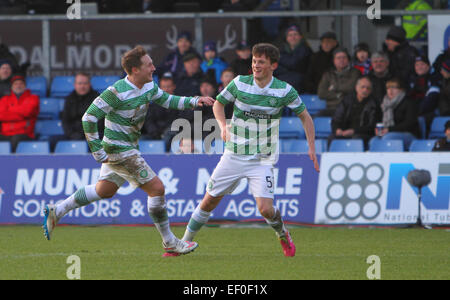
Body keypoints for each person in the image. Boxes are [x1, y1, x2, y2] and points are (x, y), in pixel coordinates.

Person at [42, 46, 215, 257]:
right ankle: (169, 242)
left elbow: (168, 100)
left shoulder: (149, 85)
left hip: (129, 147)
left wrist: (194, 100)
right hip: (118, 150)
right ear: (134, 70)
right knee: (157, 189)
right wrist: (96, 150)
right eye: (148, 64)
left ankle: (57, 210)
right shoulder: (116, 92)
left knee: (104, 190)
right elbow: (88, 118)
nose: (153, 67)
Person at [179, 43, 320, 258]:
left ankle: (283, 234)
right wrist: (223, 125)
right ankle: (183, 243)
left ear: (273, 65)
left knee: (266, 210)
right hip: (233, 155)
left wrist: (311, 146)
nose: (256, 65)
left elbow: (305, 116)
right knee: (209, 201)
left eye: (261, 62)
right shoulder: (239, 83)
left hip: (262, 159)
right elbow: (218, 104)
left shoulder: (284, 90)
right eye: (254, 61)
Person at [328, 76, 380, 150]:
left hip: (363, 134)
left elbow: (372, 126)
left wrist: (354, 131)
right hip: (344, 132)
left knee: (357, 138)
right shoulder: (346, 101)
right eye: (363, 87)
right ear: (356, 88)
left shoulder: (374, 104)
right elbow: (336, 119)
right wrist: (337, 129)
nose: (365, 90)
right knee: (332, 137)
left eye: (368, 88)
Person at [374, 77, 420, 149]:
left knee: (387, 138)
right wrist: (378, 130)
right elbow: (379, 120)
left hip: (408, 133)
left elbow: (409, 123)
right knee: (373, 141)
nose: (390, 91)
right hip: (388, 132)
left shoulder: (409, 102)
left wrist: (389, 129)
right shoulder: (384, 104)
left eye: (394, 88)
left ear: (401, 90)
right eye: (388, 88)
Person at [0, 75, 39, 152]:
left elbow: (27, 112)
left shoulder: (33, 98)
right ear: (11, 86)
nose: (18, 86)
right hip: (5, 133)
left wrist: (9, 110)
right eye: (16, 84)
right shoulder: (5, 99)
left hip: (24, 132)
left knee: (15, 139)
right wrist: (20, 115)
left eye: (21, 84)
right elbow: (1, 115)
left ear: (25, 86)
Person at [317, 47, 360, 116]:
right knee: (315, 119)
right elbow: (321, 93)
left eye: (344, 57)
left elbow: (351, 87)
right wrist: (338, 95)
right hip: (332, 108)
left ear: (348, 59)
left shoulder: (355, 72)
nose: (341, 60)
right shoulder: (328, 74)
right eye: (338, 58)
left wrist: (333, 88)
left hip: (349, 107)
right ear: (334, 60)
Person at [61, 73, 102, 140]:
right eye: (80, 83)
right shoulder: (69, 99)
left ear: (90, 84)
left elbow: (100, 121)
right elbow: (65, 121)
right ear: (75, 85)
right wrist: (72, 135)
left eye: (85, 83)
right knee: (52, 141)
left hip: (93, 135)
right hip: (73, 135)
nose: (82, 86)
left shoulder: (97, 98)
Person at [274, 24, 312, 92]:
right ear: (286, 38)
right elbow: (275, 68)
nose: (293, 37)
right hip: (282, 88)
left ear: (300, 37)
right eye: (290, 35)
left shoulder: (305, 50)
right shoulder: (281, 50)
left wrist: (281, 60)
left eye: (295, 34)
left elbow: (294, 63)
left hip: (300, 88)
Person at [141, 72, 178, 141]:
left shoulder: (180, 103)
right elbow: (149, 122)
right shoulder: (154, 105)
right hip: (155, 136)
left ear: (174, 87)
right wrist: (156, 134)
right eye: (164, 87)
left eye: (169, 87)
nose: (166, 89)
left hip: (172, 137)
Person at [408, 55, 440, 127]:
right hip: (416, 112)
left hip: (430, 113)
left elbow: (431, 100)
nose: (419, 67)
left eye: (422, 64)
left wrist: (414, 112)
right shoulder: (412, 80)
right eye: (417, 65)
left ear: (428, 66)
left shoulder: (434, 78)